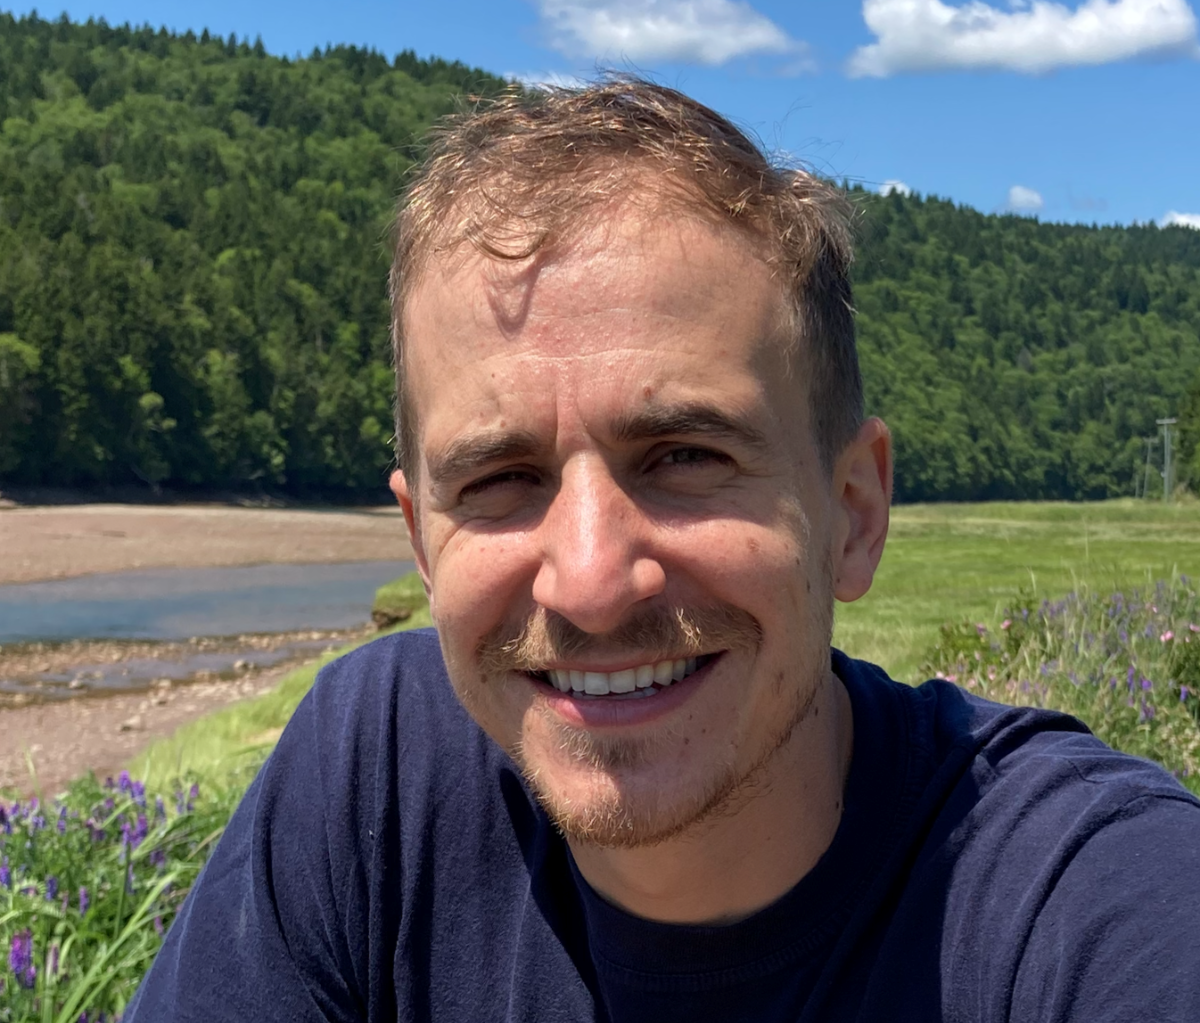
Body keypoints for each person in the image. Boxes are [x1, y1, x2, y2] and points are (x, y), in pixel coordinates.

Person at [125, 80, 1200, 1022]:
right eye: (500, 480)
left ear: (854, 514)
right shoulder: (379, 776)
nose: (593, 583)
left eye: (685, 456)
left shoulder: (1094, 901)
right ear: (422, 539)